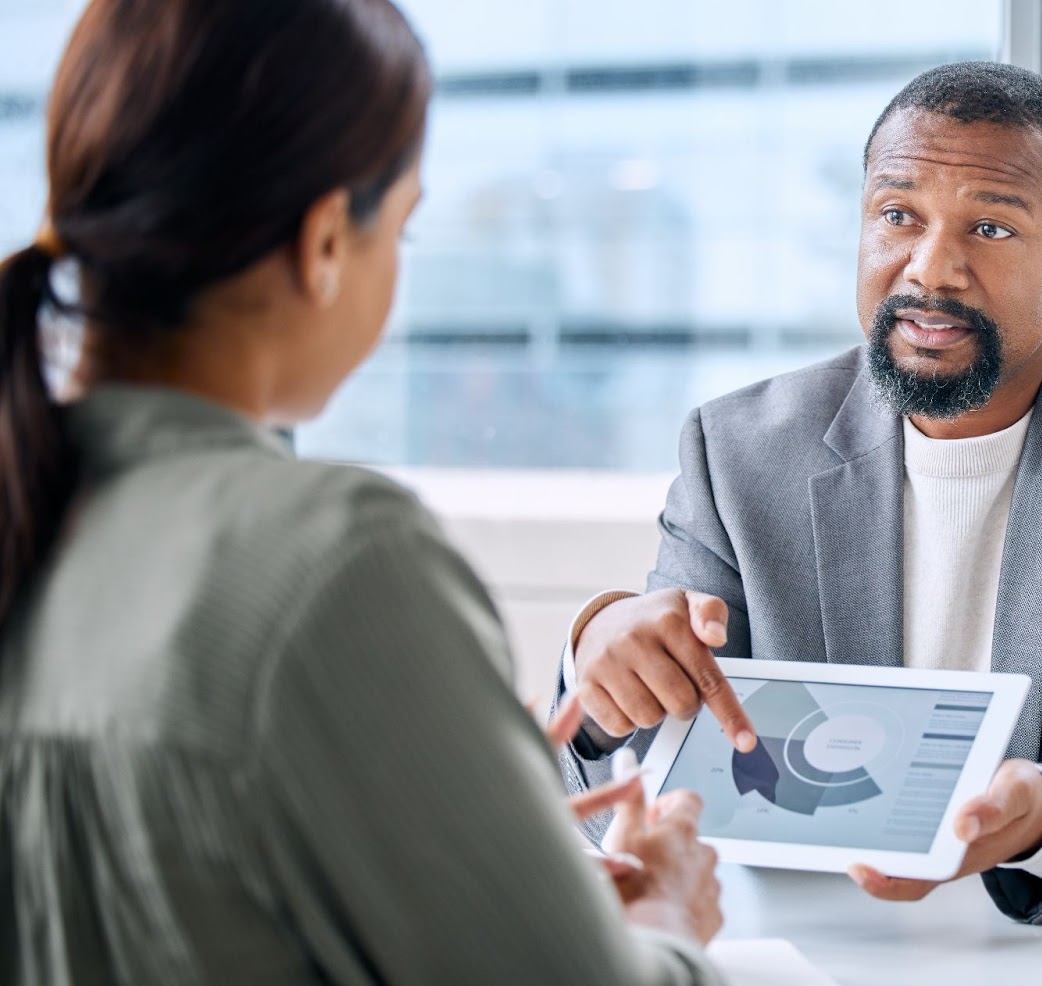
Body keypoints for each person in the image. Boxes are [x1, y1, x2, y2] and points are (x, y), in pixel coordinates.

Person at [0, 2, 723, 982]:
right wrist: (668, 918)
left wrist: (484, 867)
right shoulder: (331, 558)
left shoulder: (38, 505)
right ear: (326, 242)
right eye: (406, 230)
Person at [557, 61, 1042, 925]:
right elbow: (661, 760)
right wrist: (600, 678)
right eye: (897, 216)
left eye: (989, 227)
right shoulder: (738, 451)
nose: (931, 269)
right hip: (806, 952)